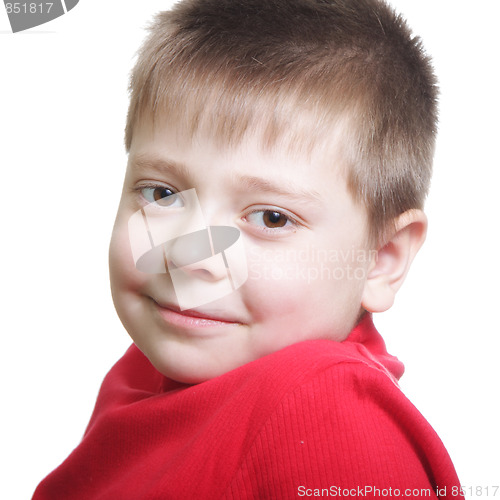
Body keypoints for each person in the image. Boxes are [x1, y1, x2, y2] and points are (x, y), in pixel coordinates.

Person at [33, 0, 462, 498]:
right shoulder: (149, 368)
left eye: (271, 218)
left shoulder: (325, 412)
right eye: (162, 193)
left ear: (381, 259)